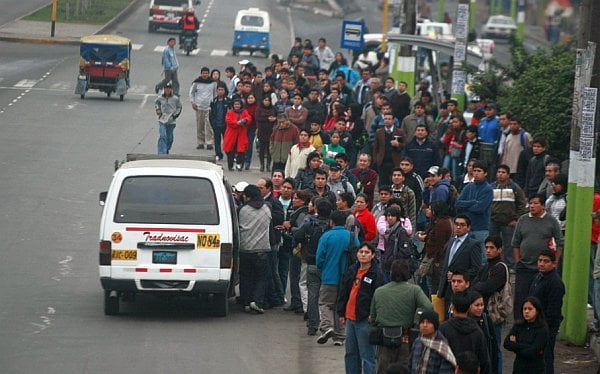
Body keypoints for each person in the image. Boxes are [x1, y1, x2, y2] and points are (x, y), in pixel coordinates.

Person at [370, 259, 433, 373]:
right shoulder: (414, 290)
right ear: (407, 273)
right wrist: (417, 320)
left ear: (391, 273)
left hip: (383, 340)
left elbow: (373, 318)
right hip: (405, 339)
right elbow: (429, 307)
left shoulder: (379, 291)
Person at [512, 194, 563, 320]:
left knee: (539, 298)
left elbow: (560, 243)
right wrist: (518, 261)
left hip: (542, 269)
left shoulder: (551, 221)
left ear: (543, 206)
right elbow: (516, 243)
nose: (532, 206)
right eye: (530, 203)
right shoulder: (523, 220)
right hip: (524, 266)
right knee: (520, 297)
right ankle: (519, 323)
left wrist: (554, 262)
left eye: (535, 203)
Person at [338, 242, 386, 374]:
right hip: (350, 318)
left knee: (368, 356)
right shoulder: (352, 270)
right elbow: (343, 292)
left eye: (367, 252)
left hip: (365, 320)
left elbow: (380, 297)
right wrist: (341, 313)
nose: (363, 255)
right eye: (361, 252)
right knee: (350, 354)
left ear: (372, 255)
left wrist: (374, 315)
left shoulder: (377, 274)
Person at [316, 210, 360, 346]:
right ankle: (340, 336)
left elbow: (319, 258)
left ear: (332, 222)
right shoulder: (352, 237)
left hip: (329, 276)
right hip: (347, 278)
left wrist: (322, 269)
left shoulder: (327, 236)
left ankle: (327, 326)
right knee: (341, 306)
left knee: (325, 303)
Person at [471, 237, 508, 373]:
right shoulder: (486, 266)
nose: (488, 251)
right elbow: (475, 284)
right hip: (482, 312)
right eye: (486, 247)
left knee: (495, 347)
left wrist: (479, 285)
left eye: (492, 248)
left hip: (494, 313)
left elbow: (487, 287)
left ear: (499, 250)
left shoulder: (500, 268)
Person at [528, 250, 565, 374]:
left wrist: (542, 327)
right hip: (534, 324)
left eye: (546, 261)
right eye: (540, 261)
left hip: (546, 327)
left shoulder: (555, 283)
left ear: (554, 264)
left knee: (545, 358)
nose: (541, 264)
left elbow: (553, 311)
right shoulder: (538, 277)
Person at [238, 185, 272, 314]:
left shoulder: (242, 210)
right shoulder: (267, 208)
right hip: (262, 249)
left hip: (245, 249)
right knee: (261, 278)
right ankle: (257, 302)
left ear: (248, 197)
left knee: (245, 277)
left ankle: (245, 302)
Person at [437, 215, 483, 311]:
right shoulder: (451, 241)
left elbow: (476, 268)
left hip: (462, 289)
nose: (458, 227)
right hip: (446, 288)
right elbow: (446, 264)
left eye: (462, 225)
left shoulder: (473, 244)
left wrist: (457, 276)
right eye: (456, 224)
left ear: (468, 228)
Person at [439, 291, 491, 374]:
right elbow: (484, 361)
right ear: (468, 308)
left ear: (452, 307)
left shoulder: (443, 329)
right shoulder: (477, 331)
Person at [489, 165, 527, 270]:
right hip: (493, 221)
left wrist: (517, 219)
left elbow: (522, 204)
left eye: (503, 172)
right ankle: (493, 264)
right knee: (492, 243)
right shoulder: (491, 187)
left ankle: (511, 266)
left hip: (509, 222)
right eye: (499, 172)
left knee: (510, 245)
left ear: (508, 175)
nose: (500, 174)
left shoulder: (514, 188)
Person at [455, 161, 493, 262]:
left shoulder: (488, 189)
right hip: (466, 228)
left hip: (481, 228)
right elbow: (458, 203)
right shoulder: (468, 187)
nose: (476, 173)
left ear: (485, 173)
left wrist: (466, 206)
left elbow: (480, 208)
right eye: (475, 170)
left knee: (482, 259)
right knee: (464, 259)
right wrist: (473, 202)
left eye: (479, 171)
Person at [416, 201, 453, 296]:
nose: (427, 211)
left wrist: (436, 261)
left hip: (434, 260)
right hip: (435, 258)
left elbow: (439, 244)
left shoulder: (442, 224)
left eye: (430, 208)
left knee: (432, 286)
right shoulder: (440, 221)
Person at [503, 297, 549, 374]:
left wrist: (515, 345)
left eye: (530, 309)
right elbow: (507, 344)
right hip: (519, 367)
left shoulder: (542, 329)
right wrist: (527, 346)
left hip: (535, 369)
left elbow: (532, 352)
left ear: (537, 311)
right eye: (524, 309)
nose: (526, 311)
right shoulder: (518, 325)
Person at [408, 309, 457, 374]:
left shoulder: (442, 347)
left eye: (428, 322)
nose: (425, 325)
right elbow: (410, 366)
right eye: (422, 322)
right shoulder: (417, 342)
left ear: (435, 325)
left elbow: (445, 371)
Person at [467, 290, 498, 374]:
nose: (480, 308)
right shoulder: (465, 322)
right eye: (477, 305)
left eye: (482, 305)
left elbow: (494, 345)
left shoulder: (486, 319)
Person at [373, 113, 405, 187]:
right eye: (385, 119)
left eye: (389, 119)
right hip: (382, 162)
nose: (387, 121)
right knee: (382, 183)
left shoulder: (399, 131)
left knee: (394, 183)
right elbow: (375, 148)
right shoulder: (379, 132)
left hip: (395, 162)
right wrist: (376, 160)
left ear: (393, 120)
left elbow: (405, 145)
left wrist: (398, 145)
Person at [189, 67, 217, 150]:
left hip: (209, 107)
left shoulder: (213, 83)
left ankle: (209, 142)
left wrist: (214, 104)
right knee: (200, 125)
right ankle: (200, 142)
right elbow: (191, 93)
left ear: (208, 74)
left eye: (206, 73)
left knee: (209, 125)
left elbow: (215, 93)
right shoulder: (196, 82)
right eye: (203, 73)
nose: (205, 75)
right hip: (199, 107)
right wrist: (193, 102)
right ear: (201, 73)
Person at [154, 82, 182, 155]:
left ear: (171, 89)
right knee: (163, 135)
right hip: (162, 120)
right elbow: (156, 103)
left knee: (169, 137)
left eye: (169, 88)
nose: (167, 90)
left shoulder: (175, 99)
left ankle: (167, 148)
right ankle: (161, 152)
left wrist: (174, 116)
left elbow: (179, 108)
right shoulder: (160, 98)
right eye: (166, 88)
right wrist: (158, 109)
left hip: (171, 121)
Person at [223, 99, 251, 171]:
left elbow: (249, 118)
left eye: (238, 104)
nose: (237, 106)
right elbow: (228, 121)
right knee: (230, 151)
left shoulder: (244, 112)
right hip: (231, 134)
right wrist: (237, 123)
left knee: (241, 150)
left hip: (241, 134)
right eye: (235, 104)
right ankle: (230, 165)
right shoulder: (230, 112)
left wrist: (245, 120)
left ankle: (239, 164)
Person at [255, 95, 278, 171]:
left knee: (269, 150)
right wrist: (267, 119)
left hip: (271, 131)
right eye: (265, 100)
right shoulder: (259, 109)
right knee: (262, 149)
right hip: (262, 131)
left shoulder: (273, 108)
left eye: (268, 100)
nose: (267, 102)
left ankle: (268, 165)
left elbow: (278, 117)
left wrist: (274, 119)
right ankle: (262, 165)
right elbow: (257, 118)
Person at [209, 84, 230, 161]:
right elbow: (211, 113)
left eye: (222, 90)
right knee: (217, 140)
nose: (220, 91)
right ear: (217, 91)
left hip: (225, 124)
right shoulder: (214, 101)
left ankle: (229, 154)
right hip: (216, 124)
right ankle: (218, 154)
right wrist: (213, 123)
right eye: (219, 90)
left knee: (227, 140)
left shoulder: (228, 101)